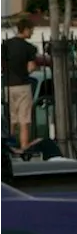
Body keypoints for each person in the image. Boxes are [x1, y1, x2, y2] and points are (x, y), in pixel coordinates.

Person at [1, 18, 39, 151]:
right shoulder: (30, 48)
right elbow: (31, 67)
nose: (32, 33)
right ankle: (24, 146)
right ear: (26, 29)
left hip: (8, 85)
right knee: (24, 119)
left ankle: (9, 145)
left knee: (10, 117)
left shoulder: (5, 45)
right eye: (32, 30)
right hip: (23, 85)